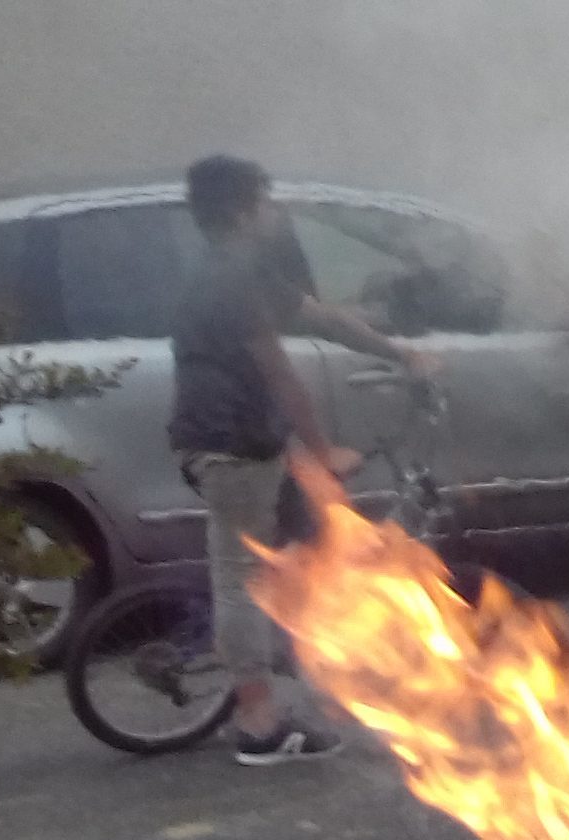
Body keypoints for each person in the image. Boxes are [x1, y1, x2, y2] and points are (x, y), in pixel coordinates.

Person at [166, 154, 440, 764]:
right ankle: (259, 725)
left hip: (248, 437)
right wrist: (324, 448)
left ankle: (305, 662)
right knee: (242, 579)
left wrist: (400, 352)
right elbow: (280, 373)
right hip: (230, 443)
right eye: (267, 201)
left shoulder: (237, 269)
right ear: (243, 209)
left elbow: (320, 319)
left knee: (309, 538)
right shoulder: (230, 277)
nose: (275, 211)